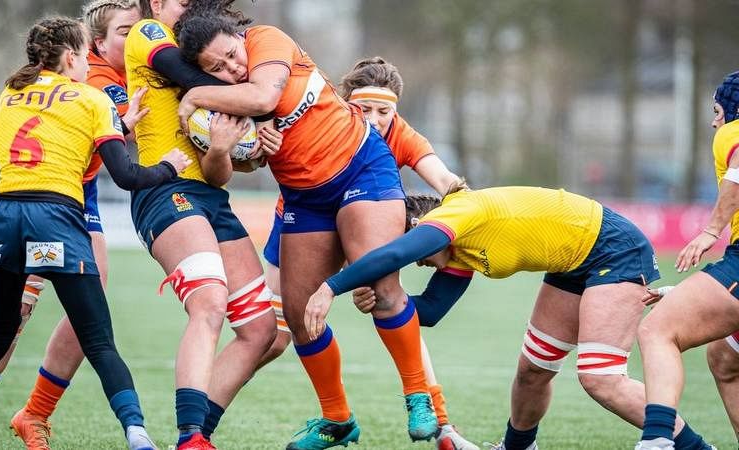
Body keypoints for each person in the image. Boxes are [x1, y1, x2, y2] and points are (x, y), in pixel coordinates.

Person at [177, 14, 438, 449]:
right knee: (300, 317)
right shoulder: (221, 103)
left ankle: (418, 395)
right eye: (216, 69)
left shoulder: (267, 40)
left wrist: (195, 94)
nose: (231, 69)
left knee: (382, 284)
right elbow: (241, 165)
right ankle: (337, 419)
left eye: (230, 55)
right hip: (304, 196)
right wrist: (248, 149)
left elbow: (264, 95)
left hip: (361, 167)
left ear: (240, 39)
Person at [302, 182, 714, 450]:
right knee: (532, 369)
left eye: (416, 251)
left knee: (599, 377)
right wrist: (380, 298)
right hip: (572, 262)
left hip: (614, 250)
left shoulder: (452, 217)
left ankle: (696, 448)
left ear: (417, 226)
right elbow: (428, 312)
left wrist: (329, 287)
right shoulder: (457, 253)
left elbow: (392, 255)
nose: (417, 264)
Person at [0, 15, 192, 450]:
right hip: (54, 221)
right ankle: (138, 434)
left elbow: (54, 137)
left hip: (3, 219)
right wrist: (170, 165)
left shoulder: (10, 93)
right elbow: (126, 175)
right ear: (73, 56)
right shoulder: (92, 100)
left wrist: (120, 123)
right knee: (98, 340)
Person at [255, 56, 477, 450]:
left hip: (364, 212)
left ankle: (439, 422)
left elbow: (444, 179)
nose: (373, 119)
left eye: (384, 111)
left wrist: (477, 209)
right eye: (364, 109)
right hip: (301, 218)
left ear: (396, 111)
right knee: (273, 333)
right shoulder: (323, 121)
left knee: (388, 294)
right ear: (342, 104)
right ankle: (206, 414)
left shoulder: (404, 136)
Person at [126, 1, 281, 448]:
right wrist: (255, 100)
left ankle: (197, 436)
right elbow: (195, 81)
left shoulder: (205, 55)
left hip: (212, 196)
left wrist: (246, 145)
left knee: (261, 332)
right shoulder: (151, 33)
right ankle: (190, 433)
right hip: (165, 191)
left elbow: (221, 169)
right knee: (210, 302)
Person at [635, 71, 739, 450]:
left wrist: (712, 230)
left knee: (656, 331)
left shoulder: (733, 130)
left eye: (717, 110)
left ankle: (657, 440)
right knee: (725, 359)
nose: (715, 120)